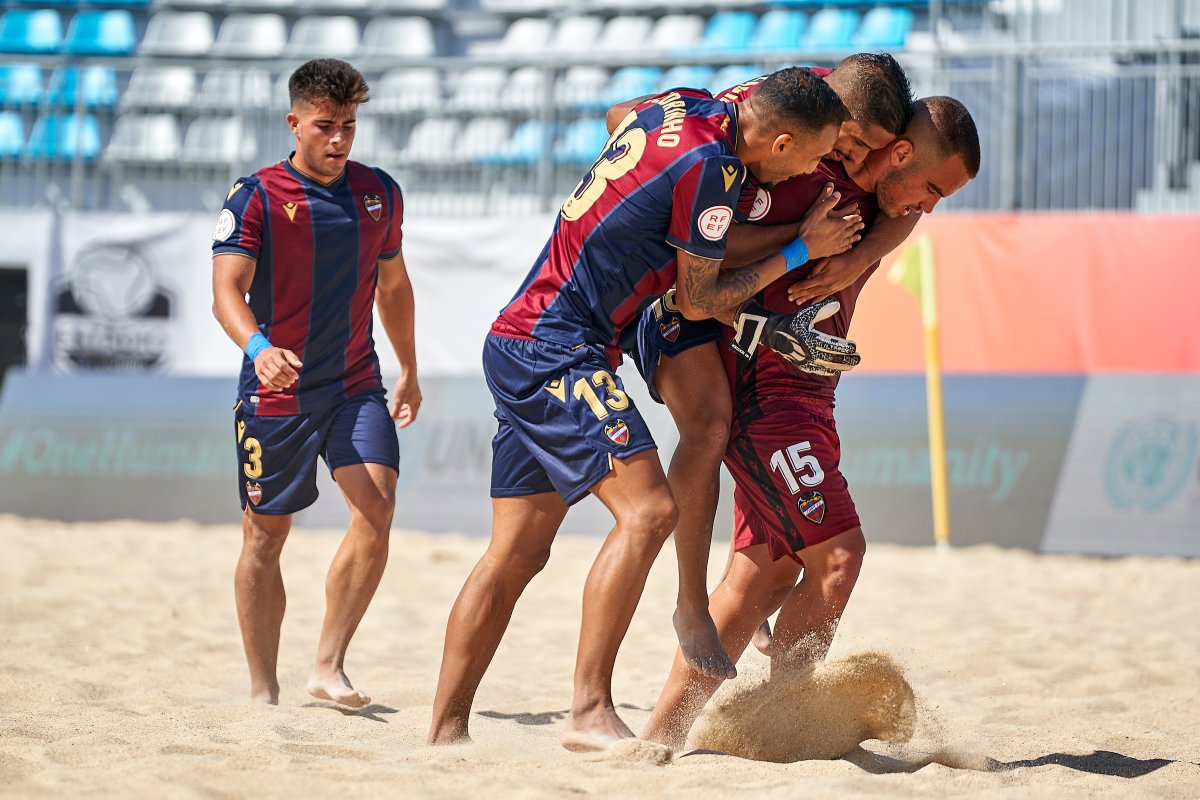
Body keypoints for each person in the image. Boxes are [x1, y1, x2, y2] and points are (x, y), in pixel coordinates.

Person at [428, 67, 861, 751]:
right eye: (813, 155)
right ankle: (589, 710)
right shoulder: (717, 171)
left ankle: (445, 735)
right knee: (650, 511)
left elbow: (614, 115)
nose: (816, 169)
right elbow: (699, 301)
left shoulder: (680, 104)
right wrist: (805, 246)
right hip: (557, 347)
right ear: (779, 143)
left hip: (521, 332)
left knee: (514, 553)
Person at [641, 96, 981, 748]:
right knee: (838, 556)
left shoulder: (885, 202)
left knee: (761, 574)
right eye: (934, 189)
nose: (930, 207)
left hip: (806, 402)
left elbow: (898, 214)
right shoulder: (808, 175)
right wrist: (800, 244)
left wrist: (859, 254)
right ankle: (779, 727)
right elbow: (703, 240)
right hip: (767, 397)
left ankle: (659, 739)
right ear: (902, 153)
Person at [618, 54, 918, 681]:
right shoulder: (758, 110)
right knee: (707, 430)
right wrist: (803, 246)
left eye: (872, 151)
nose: (856, 160)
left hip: (713, 297)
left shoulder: (832, 138)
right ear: (829, 109)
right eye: (853, 142)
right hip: (669, 301)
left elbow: (910, 201)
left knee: (768, 544)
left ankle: (723, 625)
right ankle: (690, 603)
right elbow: (623, 118)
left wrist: (858, 252)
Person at [210, 58, 422, 707]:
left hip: (356, 383)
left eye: (350, 127)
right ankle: (260, 689)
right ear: (294, 122)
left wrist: (410, 367)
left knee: (377, 511)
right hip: (276, 392)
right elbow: (225, 292)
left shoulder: (379, 193)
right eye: (326, 126)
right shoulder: (256, 196)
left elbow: (394, 287)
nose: (339, 140)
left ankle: (327, 666)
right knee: (265, 537)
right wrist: (258, 345)